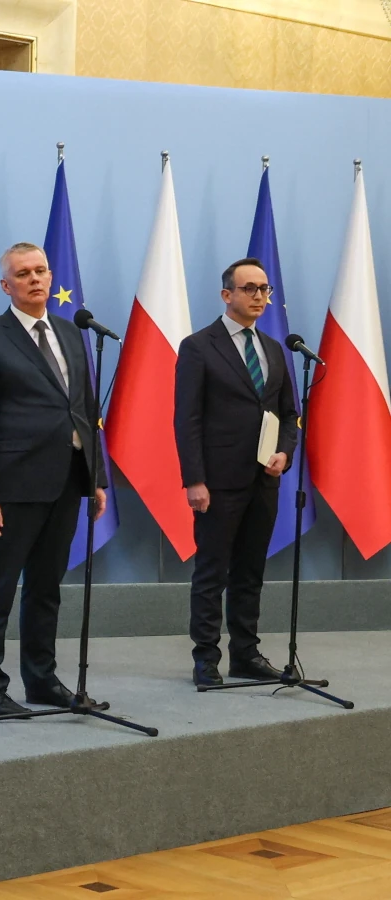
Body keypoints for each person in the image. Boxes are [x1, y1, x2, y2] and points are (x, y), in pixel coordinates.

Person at [0, 242, 106, 717]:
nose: (35, 279)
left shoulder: (70, 332)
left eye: (41, 270)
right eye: (23, 274)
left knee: (47, 587)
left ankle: (42, 680)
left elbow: (85, 410)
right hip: (14, 485)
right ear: (6, 285)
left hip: (66, 480)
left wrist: (96, 477)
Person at [174, 257, 296, 686]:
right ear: (227, 295)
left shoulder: (275, 350)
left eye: (264, 289)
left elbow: (288, 415)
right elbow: (186, 418)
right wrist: (194, 479)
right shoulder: (198, 346)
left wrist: (285, 452)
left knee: (250, 572)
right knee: (212, 573)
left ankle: (246, 654)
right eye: (249, 289)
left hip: (263, 480)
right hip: (217, 481)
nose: (259, 296)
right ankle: (206, 659)